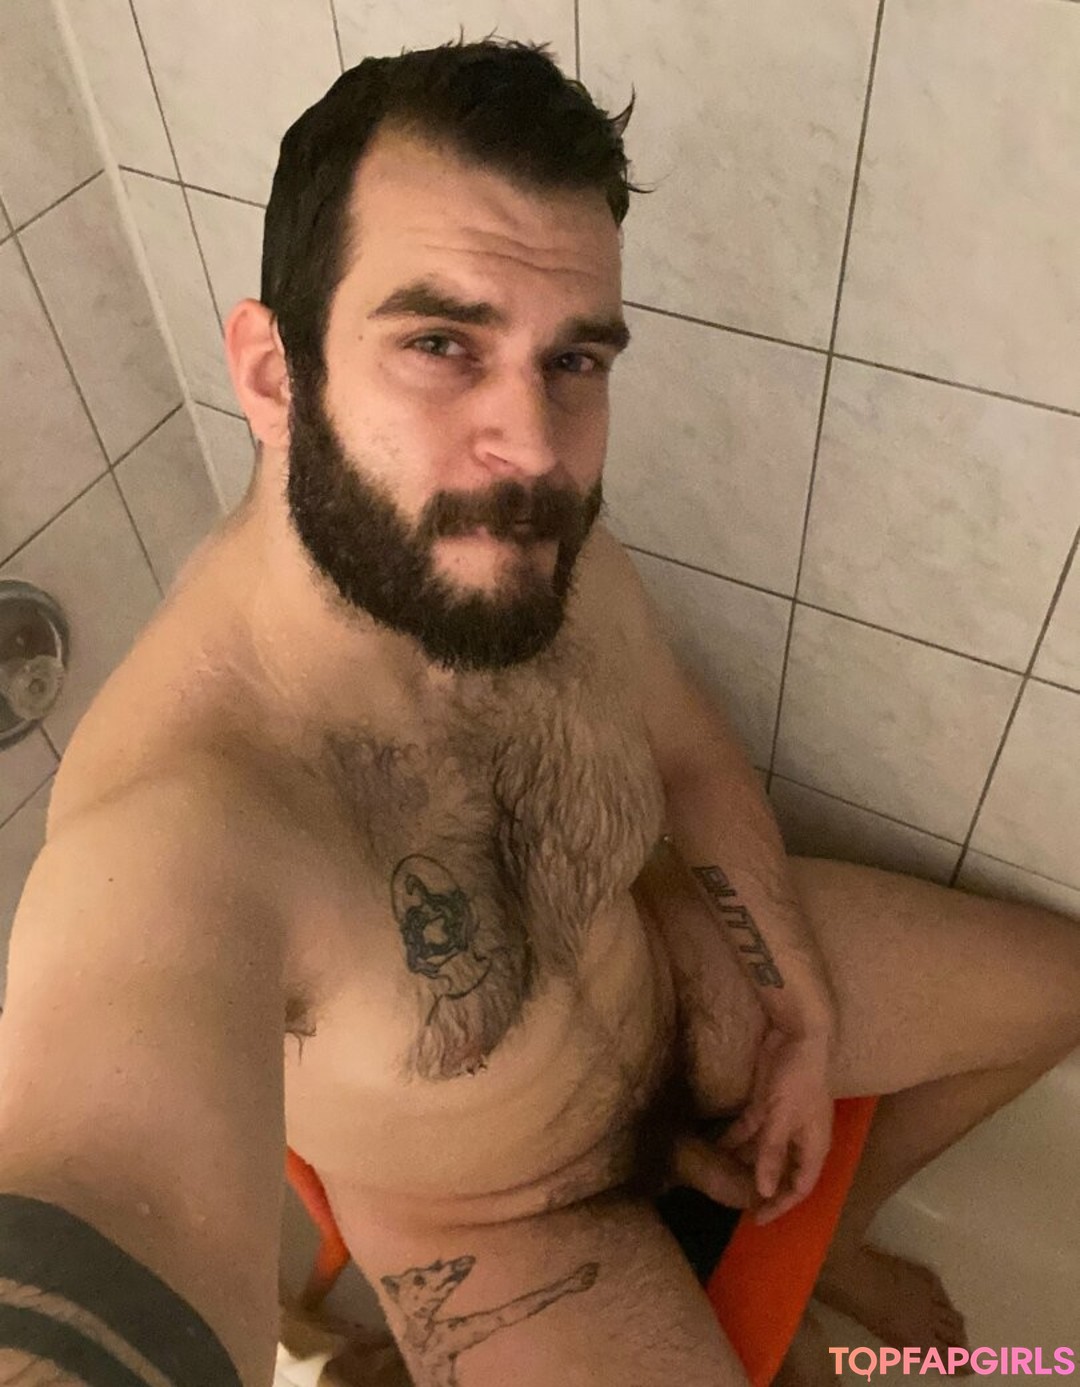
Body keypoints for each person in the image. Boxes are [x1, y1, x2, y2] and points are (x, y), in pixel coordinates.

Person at [1, 35, 1078, 1387]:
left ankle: (823, 1236)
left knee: (1059, 989)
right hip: (497, 1219)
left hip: (666, 990)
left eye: (573, 359)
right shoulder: (182, 826)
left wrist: (796, 1006)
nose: (533, 447)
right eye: (440, 343)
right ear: (275, 374)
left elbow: (690, 760)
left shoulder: (528, 552)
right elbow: (98, 1199)